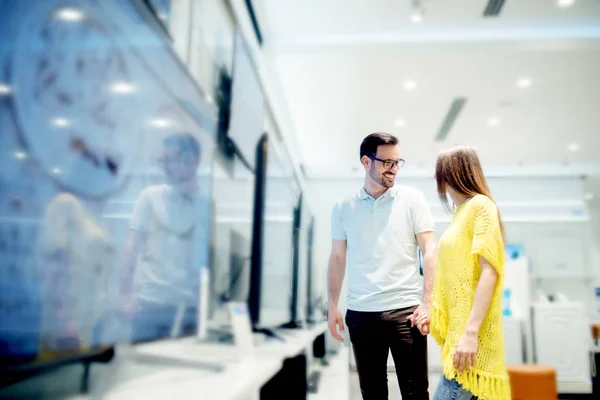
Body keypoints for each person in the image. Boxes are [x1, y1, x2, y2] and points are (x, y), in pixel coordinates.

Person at [327, 132, 437, 399]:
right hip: (362, 313)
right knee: (372, 393)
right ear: (366, 162)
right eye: (387, 162)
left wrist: (428, 302)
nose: (394, 169)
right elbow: (337, 258)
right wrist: (332, 306)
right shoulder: (343, 208)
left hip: (406, 312)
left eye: (398, 162)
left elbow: (430, 250)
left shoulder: (412, 200)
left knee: (415, 392)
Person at [415, 146, 511, 400]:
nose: (439, 182)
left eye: (441, 174)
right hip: (462, 339)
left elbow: (489, 272)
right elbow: (457, 277)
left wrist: (470, 334)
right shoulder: (461, 213)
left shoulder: (480, 206)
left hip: (470, 342)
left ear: (454, 174)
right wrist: (433, 312)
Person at [121, 133, 209, 343]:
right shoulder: (150, 196)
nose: (165, 166)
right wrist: (123, 295)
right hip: (149, 304)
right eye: (163, 160)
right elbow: (131, 247)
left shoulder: (206, 204)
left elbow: (207, 263)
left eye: (171, 159)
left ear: (192, 161)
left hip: (188, 310)